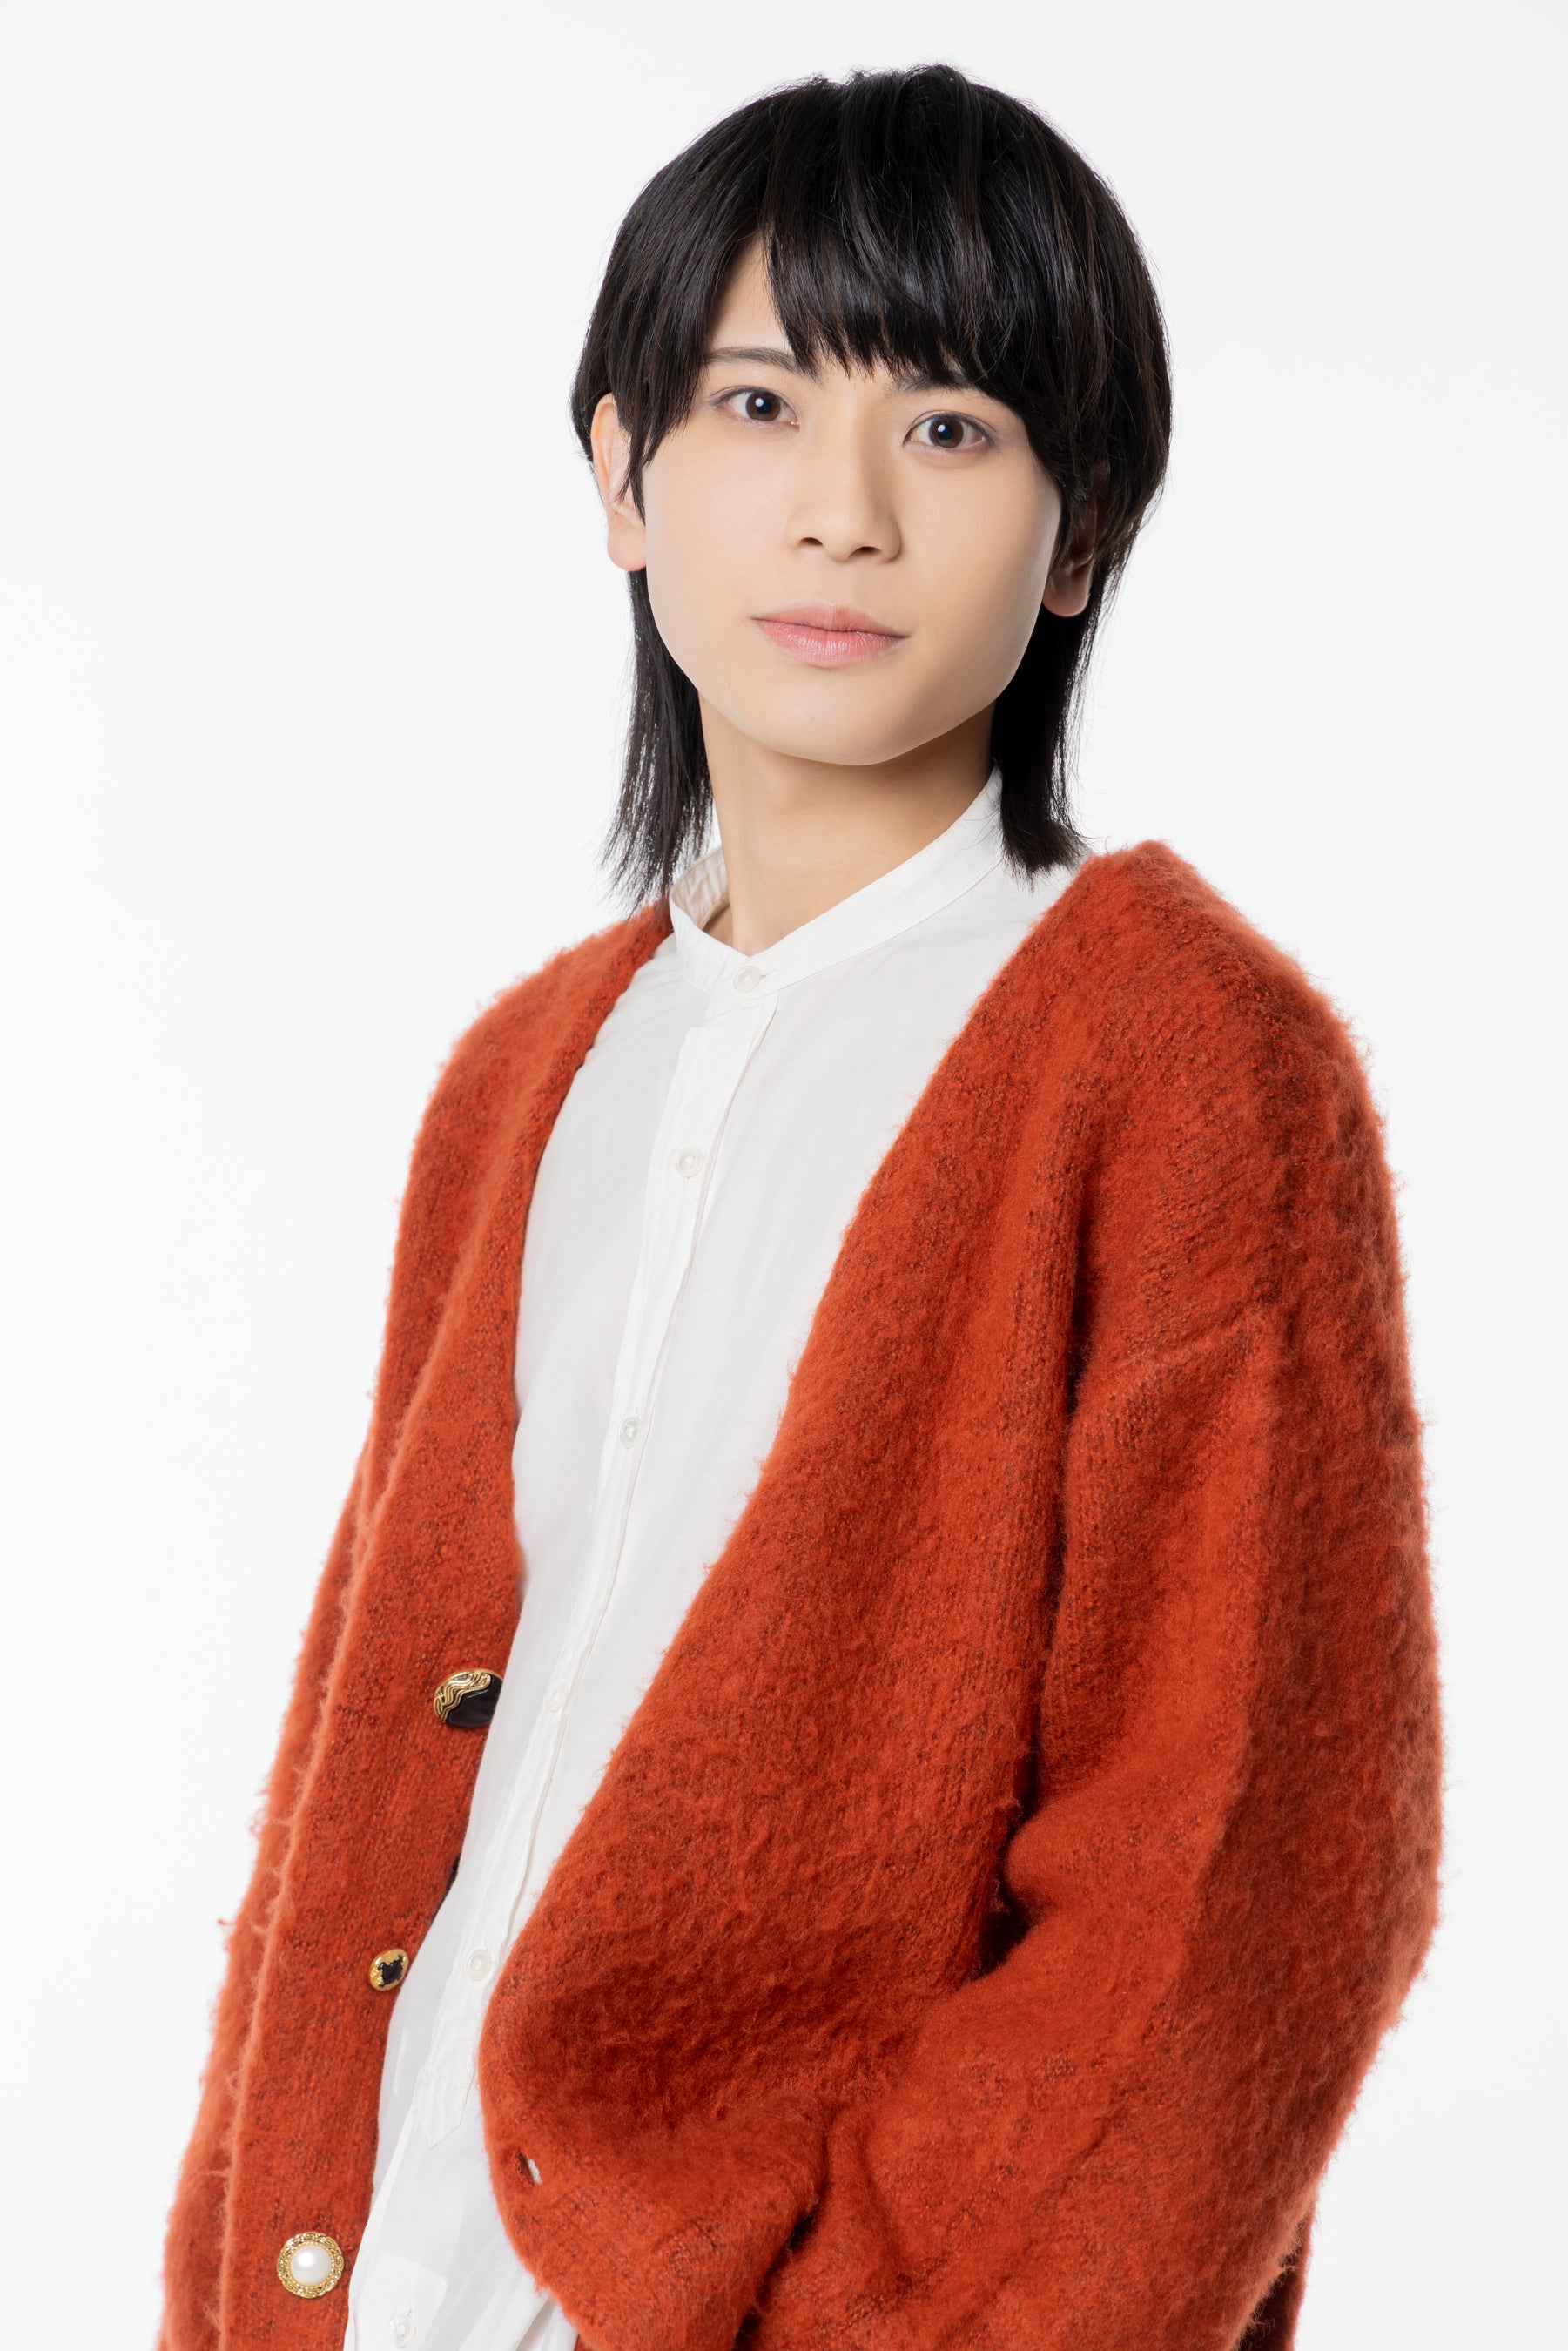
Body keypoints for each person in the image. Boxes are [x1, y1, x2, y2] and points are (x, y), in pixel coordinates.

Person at [158, 64, 1441, 2351]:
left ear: (1078, 530)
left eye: (948, 425)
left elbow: (1240, 1887)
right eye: (757, 403)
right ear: (620, 474)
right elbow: (359, 1793)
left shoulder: (1181, 1057)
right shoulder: (525, 1076)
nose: (842, 513)